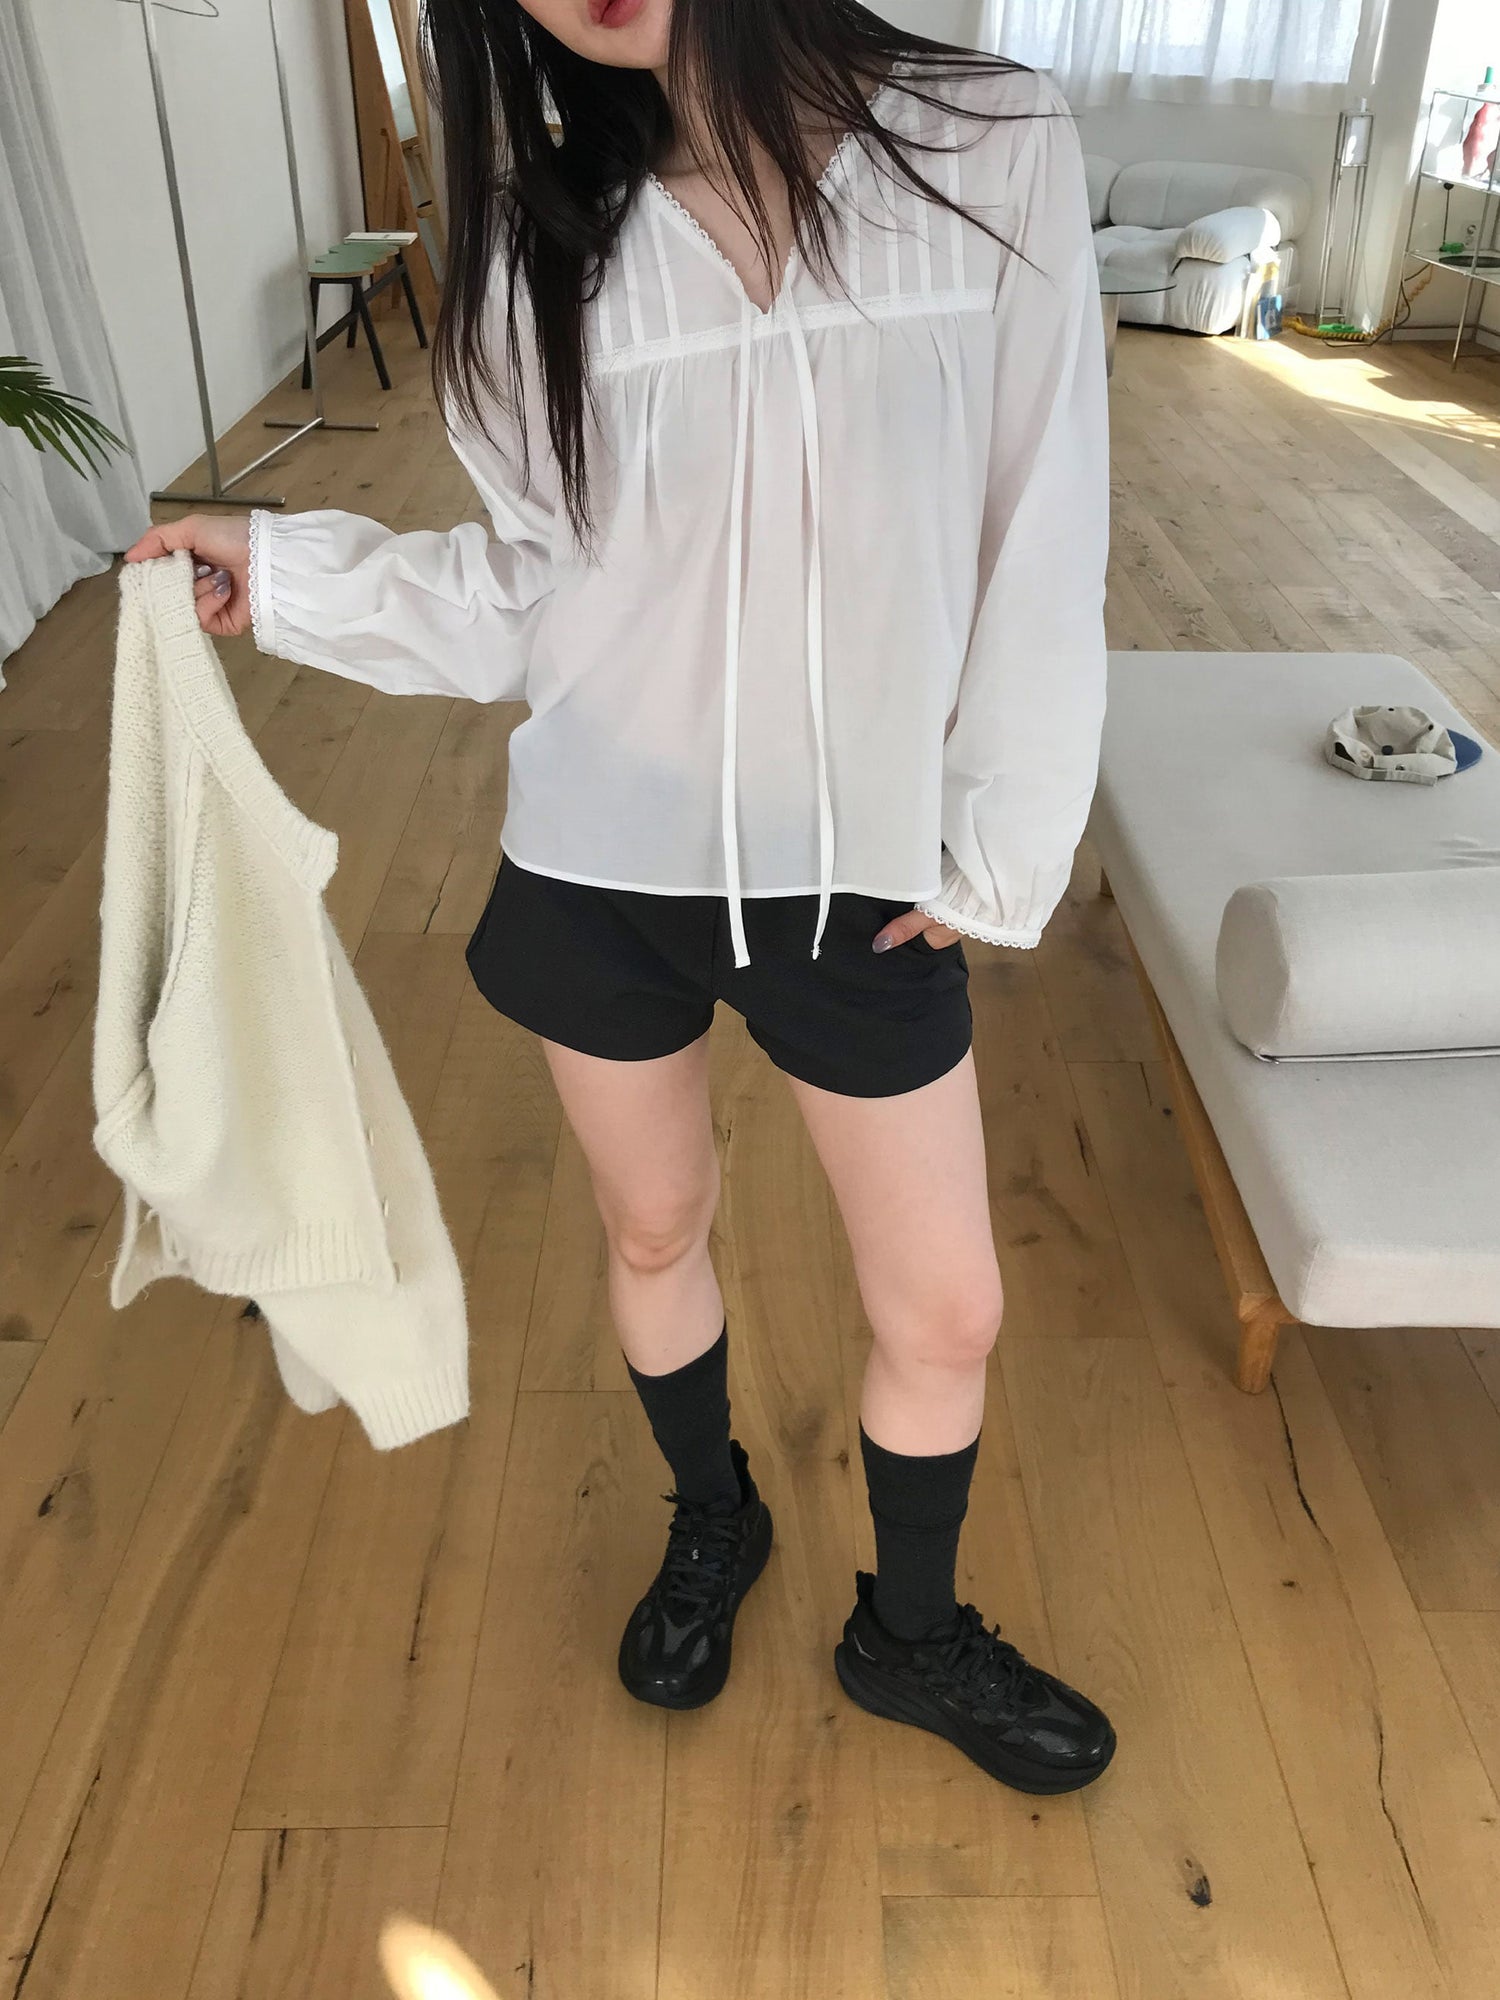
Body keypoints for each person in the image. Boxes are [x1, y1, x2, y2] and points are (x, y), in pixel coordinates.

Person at [125, 0, 1113, 1796]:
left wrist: (998, 842)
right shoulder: (540, 242)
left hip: (857, 877)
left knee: (946, 1309)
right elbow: (529, 589)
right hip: (604, 861)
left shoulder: (987, 143)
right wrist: (286, 571)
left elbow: (1043, 517)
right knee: (653, 1231)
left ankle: (908, 1639)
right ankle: (713, 1513)